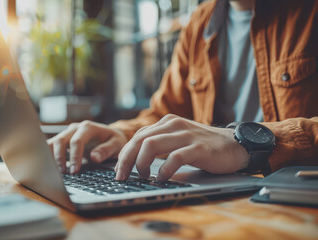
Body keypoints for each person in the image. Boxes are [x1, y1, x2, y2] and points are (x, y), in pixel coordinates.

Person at [48, 0, 318, 181]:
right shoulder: (199, 24)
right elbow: (164, 115)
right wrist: (123, 135)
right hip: (220, 198)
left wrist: (243, 145)